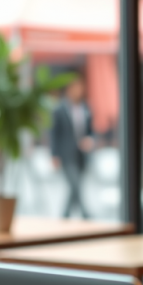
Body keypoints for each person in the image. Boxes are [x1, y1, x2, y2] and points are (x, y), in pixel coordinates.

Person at [51, 75, 94, 219]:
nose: (79, 90)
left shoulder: (85, 108)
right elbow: (53, 134)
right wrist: (54, 155)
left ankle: (65, 215)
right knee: (75, 184)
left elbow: (91, 131)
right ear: (69, 89)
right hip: (66, 154)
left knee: (76, 186)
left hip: (82, 154)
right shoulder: (59, 110)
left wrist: (90, 140)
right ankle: (85, 213)